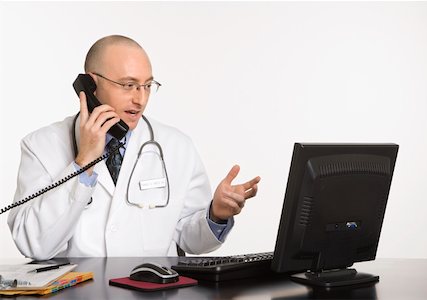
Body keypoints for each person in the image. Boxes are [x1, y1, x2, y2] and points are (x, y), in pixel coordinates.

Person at [7, 35, 260, 260]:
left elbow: (191, 240)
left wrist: (216, 215)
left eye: (147, 86)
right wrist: (83, 163)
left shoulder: (176, 146)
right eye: (128, 85)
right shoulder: (41, 146)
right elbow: (33, 244)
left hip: (152, 292)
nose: (140, 99)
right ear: (91, 84)